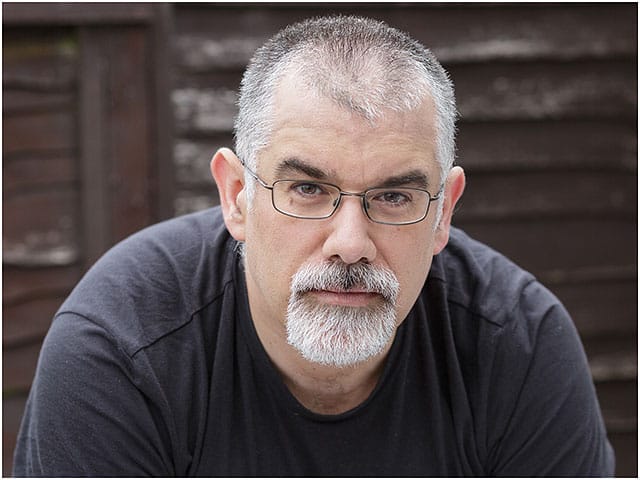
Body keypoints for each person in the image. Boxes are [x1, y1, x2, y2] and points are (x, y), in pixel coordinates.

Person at [13, 15, 614, 477]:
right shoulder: (121, 350)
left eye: (394, 198)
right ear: (236, 197)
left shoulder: (520, 345)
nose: (350, 244)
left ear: (443, 213)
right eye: (306, 189)